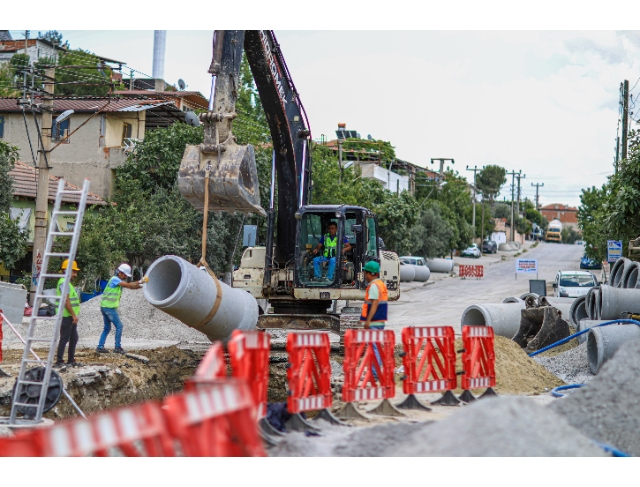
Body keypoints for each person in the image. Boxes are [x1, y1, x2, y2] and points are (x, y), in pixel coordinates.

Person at [96, 263, 142, 354]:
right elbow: (129, 285)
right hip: (109, 308)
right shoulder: (115, 279)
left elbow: (131, 287)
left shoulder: (117, 281)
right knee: (119, 326)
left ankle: (100, 347)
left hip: (105, 306)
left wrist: (140, 285)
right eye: (125, 274)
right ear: (120, 273)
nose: (125, 277)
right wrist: (141, 282)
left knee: (107, 328)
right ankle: (117, 347)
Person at [360, 261, 388, 379]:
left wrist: (368, 320)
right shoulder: (381, 284)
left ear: (370, 273)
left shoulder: (373, 286)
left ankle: (374, 374)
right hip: (380, 321)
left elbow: (374, 303)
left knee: (374, 347)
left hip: (374, 321)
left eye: (366, 273)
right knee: (376, 346)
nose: (365, 276)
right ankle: (374, 372)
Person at [54, 260, 82, 368]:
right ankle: (59, 361)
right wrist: (73, 315)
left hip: (69, 316)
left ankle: (71, 360)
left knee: (74, 338)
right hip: (66, 316)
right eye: (74, 271)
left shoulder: (66, 282)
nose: (75, 274)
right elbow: (66, 301)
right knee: (64, 338)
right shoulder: (64, 283)